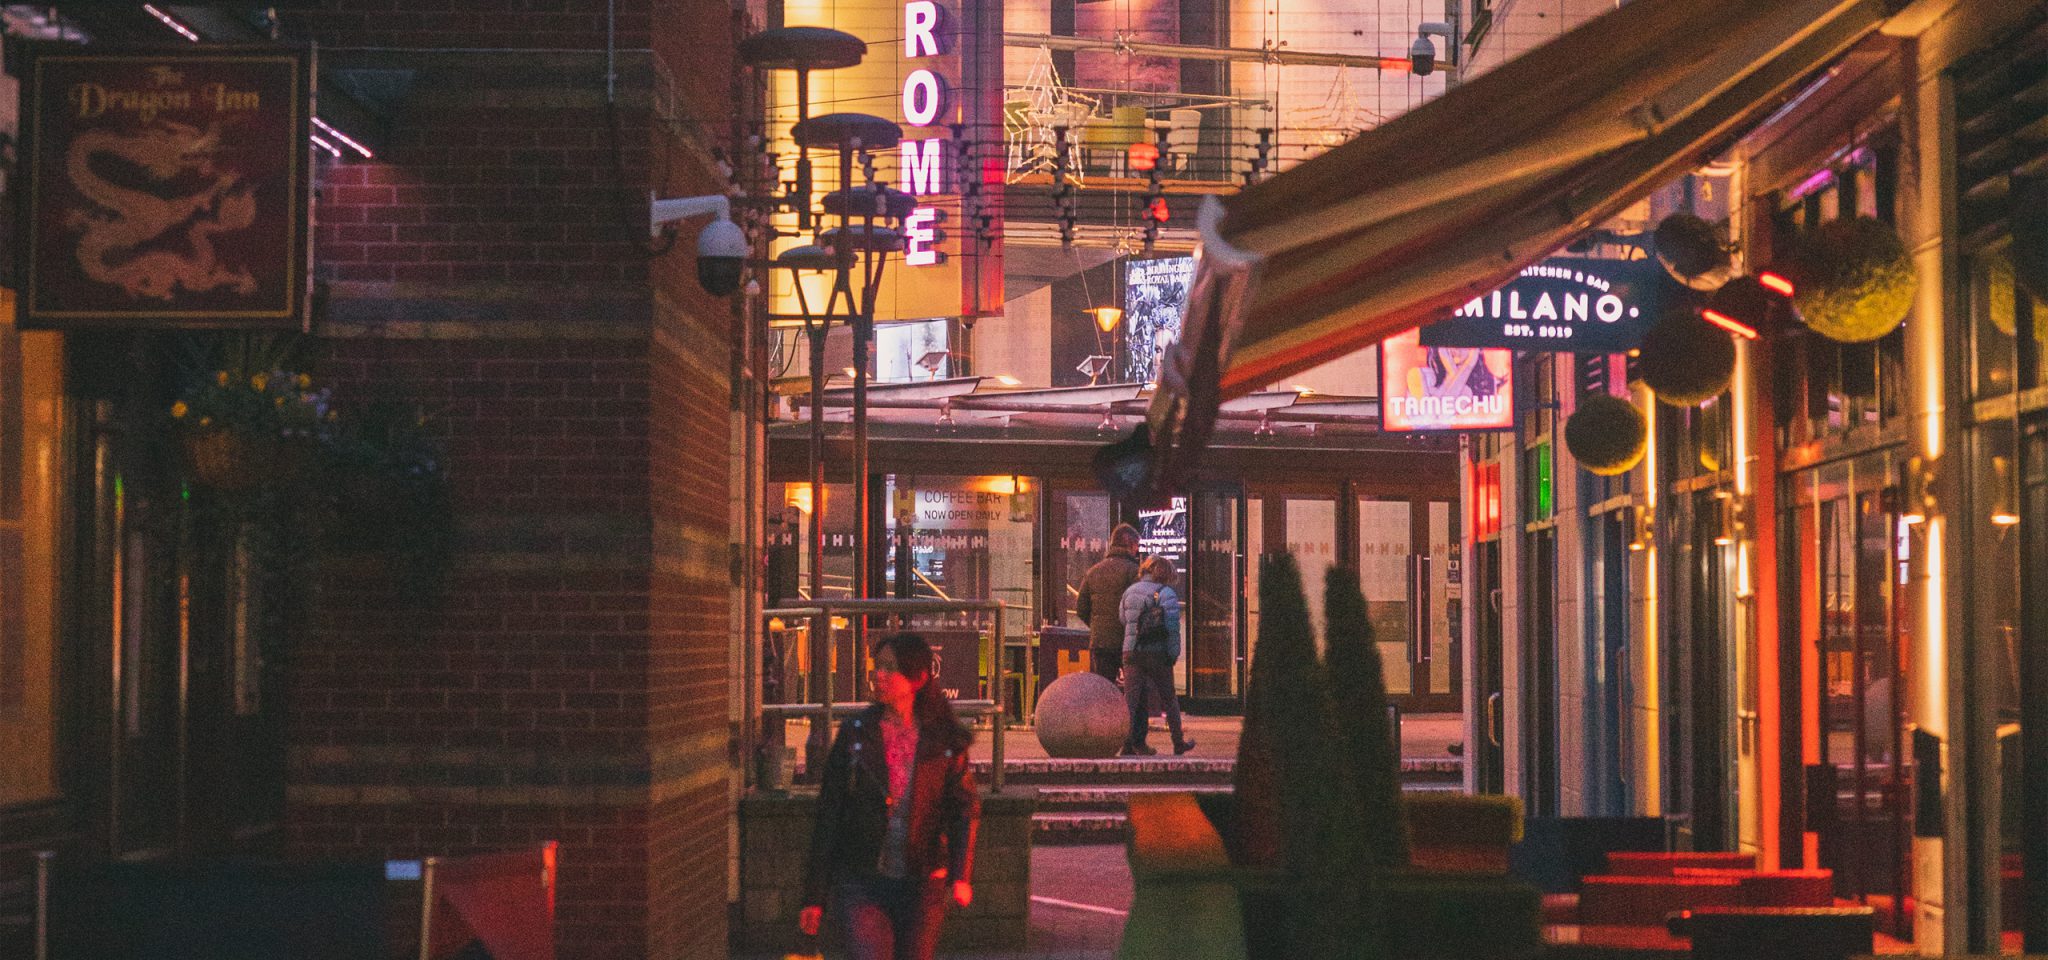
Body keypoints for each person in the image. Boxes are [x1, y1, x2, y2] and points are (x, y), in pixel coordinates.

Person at [799, 633, 980, 960]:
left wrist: (959, 875)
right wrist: (815, 895)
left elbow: (964, 808)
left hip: (923, 879)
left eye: (890, 669)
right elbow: (830, 813)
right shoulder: (857, 732)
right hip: (863, 878)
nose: (879, 676)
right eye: (877, 666)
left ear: (918, 678)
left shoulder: (942, 738)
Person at [1117, 556, 1195, 756]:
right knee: (1169, 698)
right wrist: (1173, 653)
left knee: (1130, 700)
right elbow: (1172, 628)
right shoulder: (1166, 593)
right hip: (1157, 652)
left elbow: (1123, 619)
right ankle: (1178, 742)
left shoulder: (1129, 591)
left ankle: (1126, 744)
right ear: (1165, 573)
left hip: (1132, 651)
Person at [1075, 524, 1141, 684]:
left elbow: (1081, 608)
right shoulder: (1134, 571)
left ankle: (1107, 710)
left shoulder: (1093, 571)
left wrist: (1098, 626)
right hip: (1128, 642)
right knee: (1134, 690)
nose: (1137, 550)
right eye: (1136, 546)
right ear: (1130, 544)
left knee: (1104, 688)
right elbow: (1140, 607)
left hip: (1101, 642)